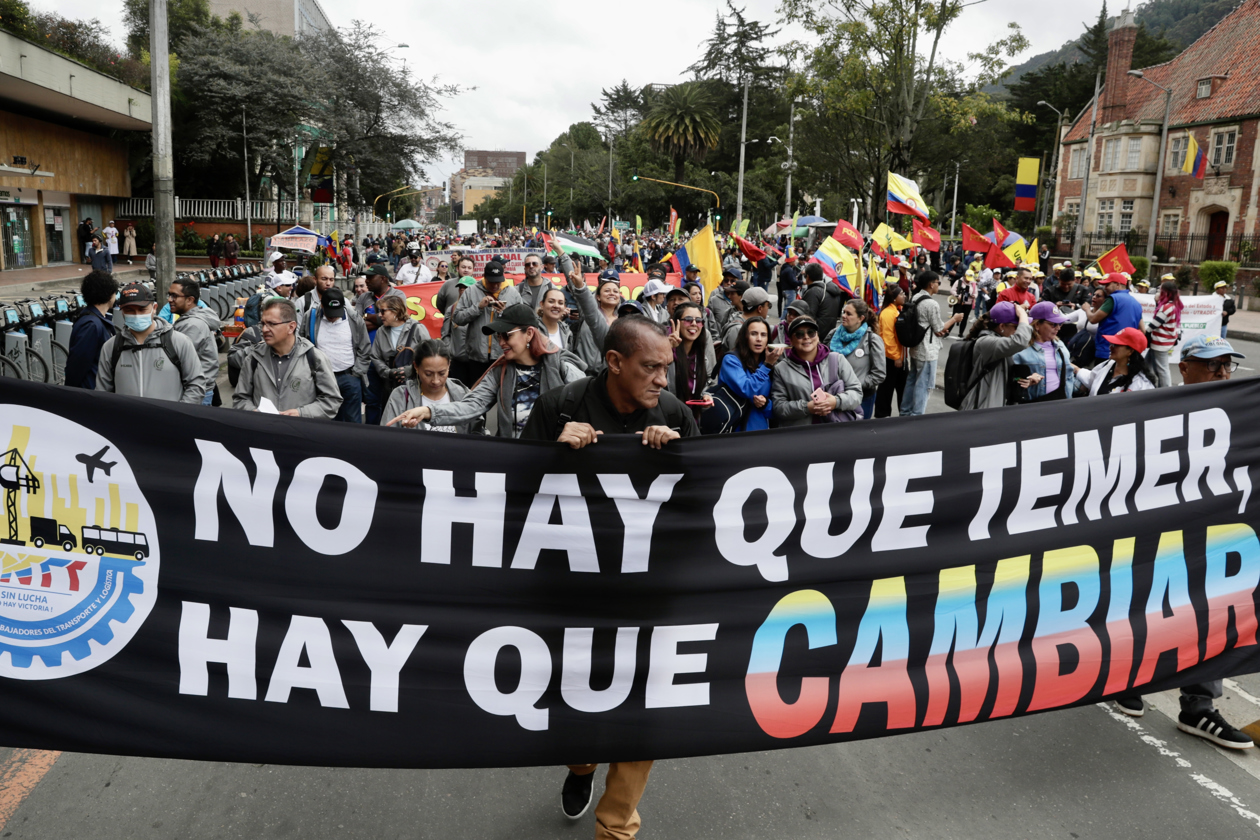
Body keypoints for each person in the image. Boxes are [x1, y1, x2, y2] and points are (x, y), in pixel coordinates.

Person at [1110, 333, 1253, 749]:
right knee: (1148, 603)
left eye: (1227, 365)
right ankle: (1129, 678)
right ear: (1185, 368)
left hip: (1218, 537)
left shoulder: (1243, 415)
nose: (1222, 373)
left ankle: (1198, 707)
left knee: (1217, 613)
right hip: (1161, 535)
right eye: (1212, 365)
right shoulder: (1156, 412)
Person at [387, 303, 583, 438]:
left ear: (529, 333)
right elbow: (471, 406)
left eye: (507, 335)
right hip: (515, 459)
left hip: (554, 458)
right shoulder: (499, 371)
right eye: (498, 336)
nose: (501, 342)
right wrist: (428, 411)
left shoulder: (561, 365)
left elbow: (586, 402)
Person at [96, 283, 206, 404]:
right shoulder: (111, 347)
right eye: (129, 310)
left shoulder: (179, 342)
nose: (136, 315)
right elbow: (102, 393)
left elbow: (196, 385)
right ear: (121, 310)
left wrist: (178, 413)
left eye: (142, 309)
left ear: (154, 308)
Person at [233, 298, 341, 418]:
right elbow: (240, 399)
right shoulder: (254, 358)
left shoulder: (314, 358)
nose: (264, 329)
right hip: (263, 428)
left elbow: (331, 401)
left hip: (299, 429)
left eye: (272, 324)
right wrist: (254, 413)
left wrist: (301, 413)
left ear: (291, 327)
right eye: (263, 324)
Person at [772, 314, 861, 427]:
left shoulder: (837, 359)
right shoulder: (781, 369)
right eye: (799, 334)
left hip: (835, 430)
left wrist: (835, 401)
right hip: (801, 433)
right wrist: (807, 407)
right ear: (791, 341)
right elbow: (779, 407)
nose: (806, 337)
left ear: (817, 336)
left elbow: (856, 393)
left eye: (811, 332)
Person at [379, 339, 483, 434]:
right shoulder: (401, 397)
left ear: (449, 365)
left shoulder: (463, 395)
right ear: (416, 366)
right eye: (428, 374)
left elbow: (478, 433)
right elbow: (387, 437)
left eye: (442, 373)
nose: (436, 381)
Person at [302, 288, 371, 423]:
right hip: (322, 378)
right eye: (330, 313)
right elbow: (302, 343)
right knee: (326, 420)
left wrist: (357, 372)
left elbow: (365, 347)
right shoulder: (310, 317)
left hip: (349, 376)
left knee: (352, 421)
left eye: (336, 313)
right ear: (322, 305)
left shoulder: (354, 318)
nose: (333, 317)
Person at [453, 258, 523, 385]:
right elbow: (457, 318)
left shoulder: (513, 293)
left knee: (501, 392)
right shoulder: (471, 291)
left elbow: (521, 322)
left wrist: (504, 313)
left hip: (503, 355)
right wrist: (478, 307)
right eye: (492, 282)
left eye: (498, 282)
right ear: (484, 277)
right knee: (477, 392)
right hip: (477, 357)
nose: (495, 286)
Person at [903, 271, 962, 416]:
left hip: (916, 347)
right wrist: (954, 319)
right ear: (931, 284)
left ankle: (905, 412)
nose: (938, 285)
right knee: (924, 386)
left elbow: (930, 325)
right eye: (938, 282)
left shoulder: (916, 297)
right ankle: (917, 415)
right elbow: (939, 328)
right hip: (927, 350)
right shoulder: (931, 303)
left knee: (912, 381)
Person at [956, 301, 1034, 410]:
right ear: (1002, 326)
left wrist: (1022, 380)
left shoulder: (1000, 342)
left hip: (993, 408)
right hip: (980, 410)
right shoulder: (987, 342)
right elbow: (1021, 341)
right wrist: (1022, 315)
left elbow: (1002, 377)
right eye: (1016, 327)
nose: (1018, 331)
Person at [166, 276, 222, 406]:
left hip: (196, 393)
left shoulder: (193, 325)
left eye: (174, 296)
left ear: (190, 300)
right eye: (169, 295)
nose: (169, 300)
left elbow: (177, 359)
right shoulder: (189, 320)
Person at [719, 316, 780, 431]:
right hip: (735, 431)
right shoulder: (731, 360)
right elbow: (746, 389)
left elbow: (777, 409)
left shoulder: (769, 363)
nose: (759, 339)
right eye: (753, 334)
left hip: (761, 431)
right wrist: (767, 365)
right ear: (745, 336)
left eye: (763, 335)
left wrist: (766, 404)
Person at [829, 299, 886, 419]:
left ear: (861, 318)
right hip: (833, 397)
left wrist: (854, 385)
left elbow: (879, 374)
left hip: (862, 398)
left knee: (858, 430)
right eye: (844, 312)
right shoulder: (833, 335)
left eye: (849, 314)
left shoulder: (872, 340)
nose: (843, 316)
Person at [369, 295, 431, 405]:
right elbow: (375, 357)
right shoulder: (381, 331)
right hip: (390, 388)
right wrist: (388, 372)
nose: (379, 315)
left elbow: (429, 355)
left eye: (383, 311)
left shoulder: (417, 328)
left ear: (396, 311)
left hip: (415, 387)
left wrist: (411, 370)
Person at [1012, 302, 1076, 402]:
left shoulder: (1060, 345)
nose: (1058, 328)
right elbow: (1011, 379)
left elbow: (1068, 375)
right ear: (1037, 325)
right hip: (1034, 406)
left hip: (1062, 404)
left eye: (1060, 324)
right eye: (1053, 324)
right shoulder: (1020, 349)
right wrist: (1026, 379)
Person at [65, 270, 118, 390]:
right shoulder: (91, 325)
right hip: (90, 391)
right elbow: (77, 365)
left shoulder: (96, 320)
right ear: (109, 294)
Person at [667, 301, 716, 417]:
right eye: (688, 320)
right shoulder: (665, 347)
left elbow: (711, 381)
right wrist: (667, 349)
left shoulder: (702, 353)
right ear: (677, 322)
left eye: (699, 321)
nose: (694, 324)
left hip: (692, 418)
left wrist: (706, 396)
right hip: (668, 417)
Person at [1074, 328, 1154, 395]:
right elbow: (1091, 379)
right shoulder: (1107, 365)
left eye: (1116, 345)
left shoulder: (1143, 384)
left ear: (1130, 351)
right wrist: (1072, 368)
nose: (1111, 347)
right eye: (1112, 343)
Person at [1087, 272, 1143, 366]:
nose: (1105, 288)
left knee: (1101, 375)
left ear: (1118, 285)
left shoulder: (1112, 299)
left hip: (1107, 350)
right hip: (1126, 353)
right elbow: (1142, 330)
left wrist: (1087, 309)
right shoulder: (1136, 303)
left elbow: (1093, 319)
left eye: (1108, 285)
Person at [573, 277, 621, 373]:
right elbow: (584, 298)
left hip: (608, 374)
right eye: (607, 291)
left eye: (616, 291)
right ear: (598, 297)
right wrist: (579, 283)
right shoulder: (589, 314)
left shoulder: (623, 321)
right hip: (582, 371)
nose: (612, 293)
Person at [874, 287, 906, 418]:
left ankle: (903, 413)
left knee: (901, 387)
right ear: (894, 298)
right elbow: (888, 338)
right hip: (891, 357)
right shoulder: (888, 313)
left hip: (898, 356)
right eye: (901, 294)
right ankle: (882, 414)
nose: (904, 296)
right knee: (886, 388)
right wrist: (896, 357)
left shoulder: (896, 310)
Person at [1146, 280, 1182, 388]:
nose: (1157, 292)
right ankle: (1149, 384)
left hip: (1160, 342)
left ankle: (1166, 390)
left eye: (1159, 290)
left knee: (1162, 369)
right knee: (1147, 365)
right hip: (1163, 341)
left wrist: (1144, 331)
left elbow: (1155, 323)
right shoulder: (1172, 305)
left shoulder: (1166, 307)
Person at [722, 287, 773, 352]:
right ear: (760, 308)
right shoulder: (737, 329)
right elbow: (736, 356)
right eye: (768, 305)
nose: (768, 308)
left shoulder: (752, 324)